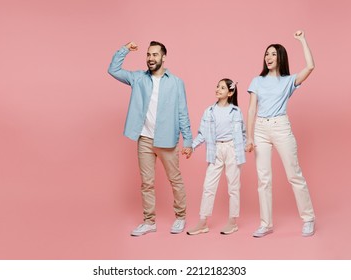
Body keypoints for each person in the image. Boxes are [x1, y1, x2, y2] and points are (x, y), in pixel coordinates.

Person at [108, 41, 193, 236]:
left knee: (175, 179)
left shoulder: (176, 82)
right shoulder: (138, 78)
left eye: (155, 55)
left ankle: (180, 217)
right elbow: (113, 70)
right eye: (148, 55)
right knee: (147, 182)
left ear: (163, 57)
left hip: (167, 139)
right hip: (144, 139)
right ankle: (149, 221)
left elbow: (183, 113)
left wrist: (187, 141)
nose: (150, 58)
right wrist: (125, 49)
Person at [246, 30, 316, 237]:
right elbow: (251, 109)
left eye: (273, 54)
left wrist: (302, 39)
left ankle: (308, 218)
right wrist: (249, 136)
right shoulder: (256, 81)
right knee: (263, 178)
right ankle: (266, 224)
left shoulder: (288, 81)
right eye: (267, 54)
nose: (269, 57)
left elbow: (311, 67)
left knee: (294, 174)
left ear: (281, 57)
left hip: (280, 126)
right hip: (260, 129)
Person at [186, 79, 246, 235]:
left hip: (233, 149)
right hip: (216, 150)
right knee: (208, 186)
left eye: (222, 87)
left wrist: (248, 144)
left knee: (234, 187)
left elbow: (243, 133)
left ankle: (233, 222)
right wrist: (191, 146)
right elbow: (202, 134)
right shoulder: (209, 111)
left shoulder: (236, 111)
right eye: (217, 86)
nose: (218, 89)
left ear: (230, 92)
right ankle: (202, 222)